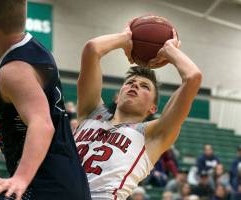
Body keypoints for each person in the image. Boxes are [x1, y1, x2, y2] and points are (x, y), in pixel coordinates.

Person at [0, 0, 90, 199]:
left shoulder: (13, 73)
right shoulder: (31, 46)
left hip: (46, 185)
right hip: (67, 179)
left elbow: (42, 124)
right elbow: (19, 68)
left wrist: (21, 178)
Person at [73, 19, 202, 199]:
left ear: (152, 108)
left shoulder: (153, 135)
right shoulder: (90, 112)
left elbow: (193, 77)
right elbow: (92, 49)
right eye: (130, 83)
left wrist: (169, 50)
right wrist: (125, 38)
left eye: (145, 87)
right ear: (118, 96)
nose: (135, 86)